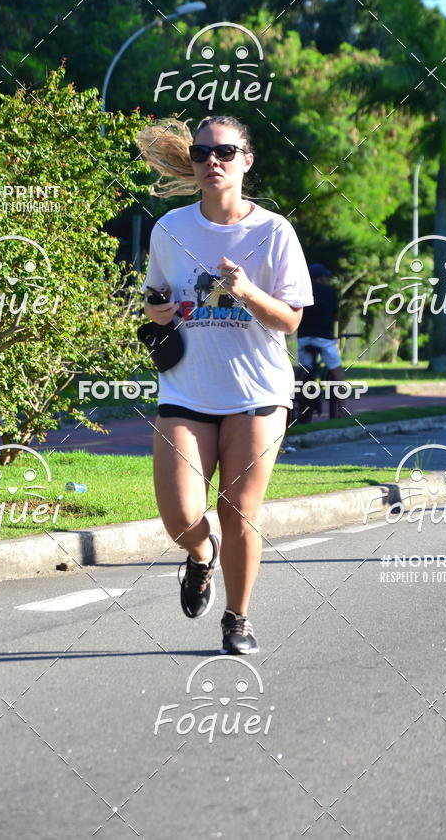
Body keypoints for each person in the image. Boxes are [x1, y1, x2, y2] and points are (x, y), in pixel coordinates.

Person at [135, 114, 313, 655]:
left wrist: (246, 291)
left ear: (246, 161)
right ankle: (199, 554)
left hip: (257, 393)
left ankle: (238, 619)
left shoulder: (273, 231)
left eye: (225, 152)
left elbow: (290, 320)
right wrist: (157, 312)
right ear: (192, 162)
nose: (213, 161)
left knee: (240, 512)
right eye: (201, 152)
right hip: (186, 390)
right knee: (181, 514)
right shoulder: (170, 228)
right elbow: (153, 297)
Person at [297, 263, 348, 417]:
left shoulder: (301, 291)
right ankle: (342, 410)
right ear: (321, 278)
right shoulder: (330, 292)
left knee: (303, 372)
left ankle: (299, 405)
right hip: (324, 338)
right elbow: (335, 315)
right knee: (337, 372)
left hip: (304, 338)